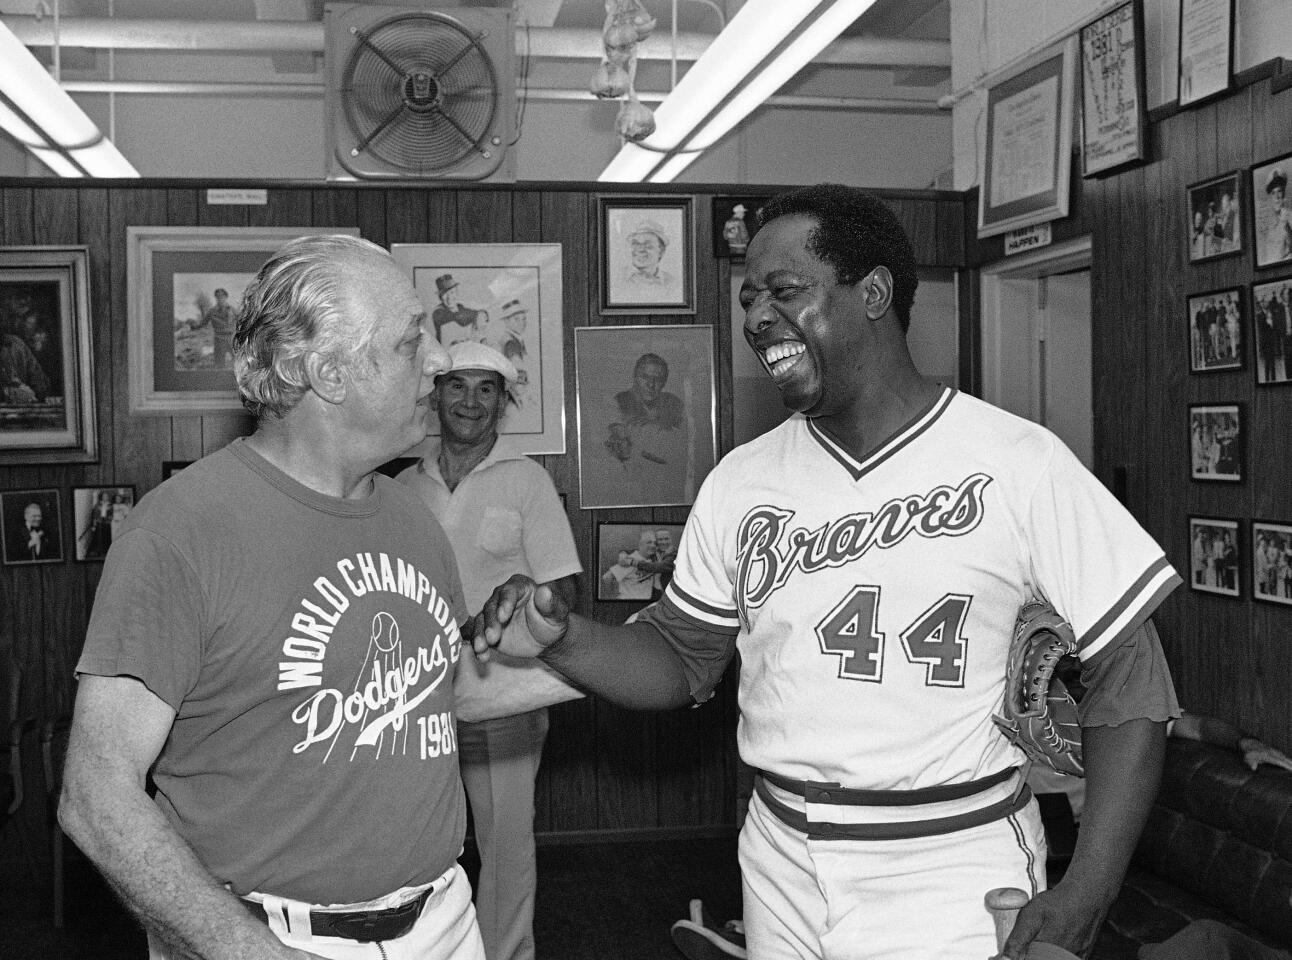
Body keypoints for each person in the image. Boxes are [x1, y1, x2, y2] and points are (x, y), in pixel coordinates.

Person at [469, 185, 1182, 960]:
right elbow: (679, 659)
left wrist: (1092, 886)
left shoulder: (1018, 462)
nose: (755, 318)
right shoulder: (741, 481)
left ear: (872, 293)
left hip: (951, 856)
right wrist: (562, 636)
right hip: (781, 854)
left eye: (785, 292)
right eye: (748, 298)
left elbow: (1131, 677)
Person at [57, 234, 555, 960]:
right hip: (261, 937)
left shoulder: (408, 515)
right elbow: (95, 796)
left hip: (444, 922)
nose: (441, 360)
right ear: (329, 374)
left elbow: (428, 694)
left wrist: (646, 655)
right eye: (413, 343)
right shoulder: (180, 531)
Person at [396, 340, 582, 960]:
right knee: (416, 840)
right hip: (413, 699)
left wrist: (527, 591)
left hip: (505, 693)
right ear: (435, 395)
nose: (470, 401)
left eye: (486, 389)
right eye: (457, 385)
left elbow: (565, 589)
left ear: (504, 402)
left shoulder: (527, 479)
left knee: (504, 842)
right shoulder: (399, 486)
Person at [600, 352, 691, 505]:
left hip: (668, 489)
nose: (651, 384)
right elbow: (621, 449)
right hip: (629, 486)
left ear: (664, 382)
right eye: (645, 377)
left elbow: (681, 449)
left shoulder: (675, 404)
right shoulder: (617, 402)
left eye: (658, 379)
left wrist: (636, 437)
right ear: (635, 377)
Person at [618, 220, 675, 298]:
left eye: (648, 245)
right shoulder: (618, 277)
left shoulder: (671, 283)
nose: (640, 249)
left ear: (661, 251)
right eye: (635, 244)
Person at [599, 528, 656, 601]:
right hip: (628, 602)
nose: (653, 545)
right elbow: (607, 577)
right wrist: (611, 598)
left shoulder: (653, 560)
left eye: (655, 543)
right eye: (649, 542)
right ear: (640, 543)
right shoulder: (630, 559)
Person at [432, 274, 485, 347]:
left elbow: (477, 315)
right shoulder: (438, 312)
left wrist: (480, 314)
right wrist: (476, 314)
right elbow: (459, 319)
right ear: (440, 297)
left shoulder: (460, 307)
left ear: (457, 293)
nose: (449, 297)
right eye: (444, 294)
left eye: (452, 292)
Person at [189, 287, 237, 368]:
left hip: (232, 339)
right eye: (218, 297)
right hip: (219, 339)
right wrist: (193, 327)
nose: (220, 299)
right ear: (216, 298)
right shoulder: (211, 312)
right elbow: (203, 323)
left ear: (226, 298)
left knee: (238, 362)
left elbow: (243, 320)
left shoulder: (233, 310)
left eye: (222, 297)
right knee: (219, 364)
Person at [1, 328, 49, 402]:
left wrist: (34, 393)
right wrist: (7, 393)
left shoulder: (17, 344)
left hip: (23, 409)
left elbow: (40, 383)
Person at [1262, 168, 1292, 266]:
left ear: (1284, 192)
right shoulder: (1268, 221)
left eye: (1279, 191)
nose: (1277, 197)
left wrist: (1286, 225)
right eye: (1273, 193)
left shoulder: (1290, 216)